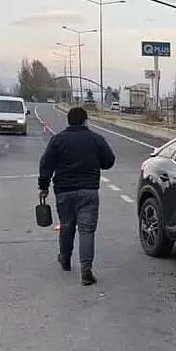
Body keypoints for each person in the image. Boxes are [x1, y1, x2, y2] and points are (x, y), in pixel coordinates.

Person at [38, 107, 116, 286]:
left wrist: (43, 186)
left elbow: (46, 164)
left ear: (68, 121)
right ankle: (86, 270)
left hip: (64, 191)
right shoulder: (96, 139)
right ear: (85, 121)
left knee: (66, 226)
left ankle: (65, 259)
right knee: (87, 231)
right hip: (89, 192)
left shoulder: (58, 140)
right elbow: (109, 161)